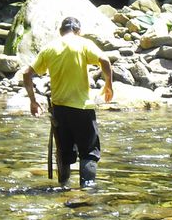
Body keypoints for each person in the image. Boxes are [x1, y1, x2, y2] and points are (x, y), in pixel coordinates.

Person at [23, 17, 113, 188]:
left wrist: (33, 101)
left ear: (60, 31)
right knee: (88, 153)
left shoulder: (50, 48)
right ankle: (87, 190)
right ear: (78, 30)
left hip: (59, 111)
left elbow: (27, 73)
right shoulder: (83, 43)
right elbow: (105, 61)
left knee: (64, 153)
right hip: (82, 108)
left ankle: (63, 188)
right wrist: (108, 84)